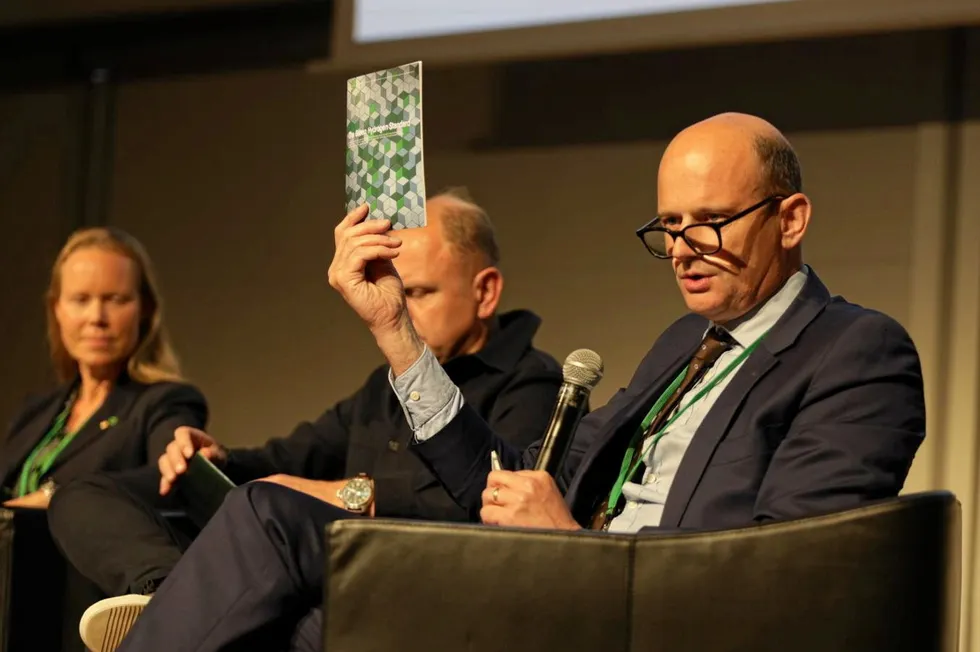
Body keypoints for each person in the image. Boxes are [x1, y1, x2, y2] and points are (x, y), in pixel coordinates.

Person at [105, 113, 925, 652]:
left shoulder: (856, 352)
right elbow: (514, 487)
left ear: (791, 218)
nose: (682, 248)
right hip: (541, 587)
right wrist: (395, 329)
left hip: (614, 617)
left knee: (272, 563)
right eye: (668, 227)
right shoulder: (683, 342)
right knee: (288, 585)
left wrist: (574, 548)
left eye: (709, 222)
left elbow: (792, 587)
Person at [49, 190, 563, 652]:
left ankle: (183, 606)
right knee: (84, 493)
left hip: (420, 591)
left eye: (418, 294)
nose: (398, 311)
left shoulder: (531, 383)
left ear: (486, 291)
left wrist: (345, 494)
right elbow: (289, 457)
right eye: (395, 292)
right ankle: (167, 591)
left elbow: (493, 508)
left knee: (267, 519)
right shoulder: (379, 388)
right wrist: (219, 456)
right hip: (313, 568)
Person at [0, 227, 207, 510]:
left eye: (116, 300)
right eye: (80, 300)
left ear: (145, 308)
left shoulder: (165, 402)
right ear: (57, 308)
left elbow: (172, 478)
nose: (96, 317)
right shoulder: (35, 411)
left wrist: (58, 496)